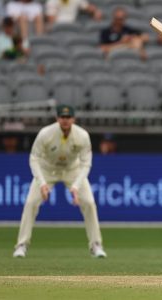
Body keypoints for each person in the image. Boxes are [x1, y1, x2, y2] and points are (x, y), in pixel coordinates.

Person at [13, 104, 107, 258]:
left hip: (72, 170)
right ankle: (21, 245)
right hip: (47, 169)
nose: (65, 120)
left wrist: (76, 186)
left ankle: (96, 245)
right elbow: (34, 158)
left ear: (73, 119)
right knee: (30, 203)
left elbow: (86, 164)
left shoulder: (82, 136)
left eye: (68, 117)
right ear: (57, 119)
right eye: (62, 117)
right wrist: (42, 183)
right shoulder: (46, 133)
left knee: (89, 203)